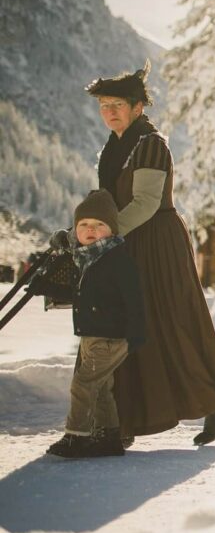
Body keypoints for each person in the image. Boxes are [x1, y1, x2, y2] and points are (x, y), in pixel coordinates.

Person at [86, 62, 215, 447]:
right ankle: (124, 420)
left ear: (138, 107)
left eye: (118, 104)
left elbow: (147, 202)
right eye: (104, 105)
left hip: (155, 242)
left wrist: (105, 232)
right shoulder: (113, 147)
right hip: (127, 241)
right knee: (132, 327)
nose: (110, 112)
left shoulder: (150, 144)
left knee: (171, 322)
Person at [46, 191, 145, 459]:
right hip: (92, 334)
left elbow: (135, 298)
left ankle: (76, 436)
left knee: (83, 384)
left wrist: (137, 332)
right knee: (100, 386)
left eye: (99, 225)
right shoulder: (84, 258)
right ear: (76, 231)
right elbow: (80, 294)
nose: (91, 230)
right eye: (84, 225)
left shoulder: (116, 259)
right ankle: (109, 436)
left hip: (111, 336)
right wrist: (48, 284)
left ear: (112, 230)